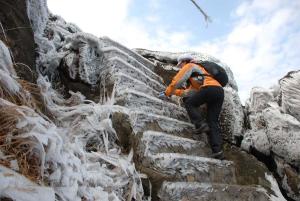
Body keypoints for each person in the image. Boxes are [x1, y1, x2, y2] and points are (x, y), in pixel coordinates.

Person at [159, 54, 225, 159]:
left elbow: (178, 80)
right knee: (212, 121)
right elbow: (189, 92)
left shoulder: (190, 66)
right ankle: (218, 151)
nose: (179, 66)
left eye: (180, 64)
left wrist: (167, 92)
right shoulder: (199, 74)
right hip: (219, 91)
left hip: (210, 88)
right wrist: (173, 92)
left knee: (189, 103)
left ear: (184, 61)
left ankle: (200, 124)